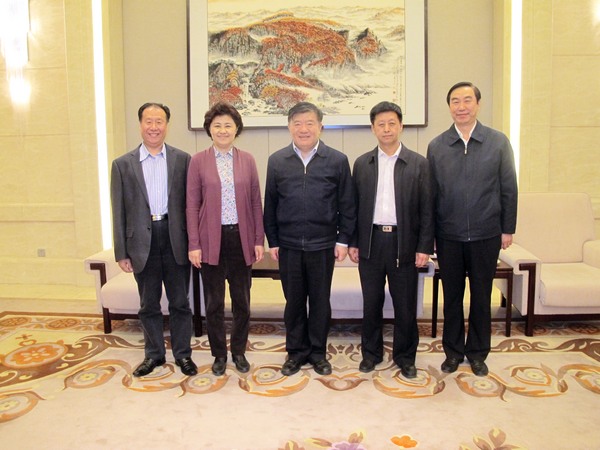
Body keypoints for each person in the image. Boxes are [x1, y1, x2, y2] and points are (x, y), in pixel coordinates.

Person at [427, 82, 518, 377]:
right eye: (455, 101)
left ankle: (478, 353)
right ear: (449, 107)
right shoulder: (438, 146)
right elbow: (431, 195)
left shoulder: (498, 142)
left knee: (481, 296)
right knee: (452, 298)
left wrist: (507, 228)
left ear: (478, 104)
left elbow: (509, 188)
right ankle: (453, 352)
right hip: (448, 236)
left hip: (486, 233)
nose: (461, 106)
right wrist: (431, 236)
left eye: (467, 100)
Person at [263, 102, 355, 377]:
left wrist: (343, 240)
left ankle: (317, 352)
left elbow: (347, 205)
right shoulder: (277, 161)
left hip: (323, 245)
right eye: (298, 123)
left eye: (309, 123)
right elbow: (271, 204)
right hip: (288, 245)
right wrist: (273, 241)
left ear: (320, 126)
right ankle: (295, 352)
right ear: (289, 127)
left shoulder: (337, 160)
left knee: (319, 302)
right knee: (293, 302)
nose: (303, 129)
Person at [111, 102, 197, 377]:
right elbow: (118, 211)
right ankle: (154, 355)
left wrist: (195, 243)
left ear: (166, 125)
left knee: (180, 302)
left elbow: (191, 205)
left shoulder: (182, 160)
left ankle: (183, 354)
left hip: (175, 239)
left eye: (159, 121)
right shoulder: (122, 165)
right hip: (141, 243)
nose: (154, 127)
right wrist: (121, 252)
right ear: (140, 124)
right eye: (148, 121)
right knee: (148, 304)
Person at [349, 101, 434, 378]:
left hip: (404, 243)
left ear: (401, 126)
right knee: (371, 303)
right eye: (381, 124)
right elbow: (353, 207)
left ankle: (405, 357)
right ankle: (371, 354)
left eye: (391, 123)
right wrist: (353, 242)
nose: (386, 129)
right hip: (371, 242)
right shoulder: (363, 164)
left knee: (405, 306)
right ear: (373, 128)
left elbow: (427, 209)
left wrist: (424, 247)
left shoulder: (418, 164)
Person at [186, 102, 265, 376]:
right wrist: (194, 244)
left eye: (228, 125)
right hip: (211, 240)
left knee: (242, 301)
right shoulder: (198, 161)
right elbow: (192, 206)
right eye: (217, 125)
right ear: (209, 129)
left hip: (241, 238)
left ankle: (239, 351)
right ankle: (219, 354)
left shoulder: (248, 160)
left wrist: (258, 239)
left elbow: (255, 202)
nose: (222, 130)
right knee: (214, 303)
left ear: (236, 129)